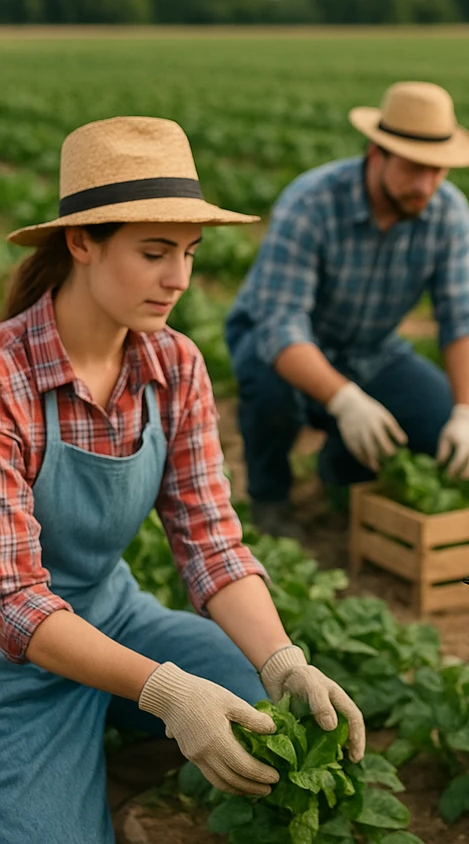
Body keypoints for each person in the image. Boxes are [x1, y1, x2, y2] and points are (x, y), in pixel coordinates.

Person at [0, 116, 366, 844]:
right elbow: (14, 602)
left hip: (114, 614)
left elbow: (211, 544)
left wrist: (281, 657)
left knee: (263, 706)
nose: (180, 279)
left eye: (191, 253)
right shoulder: (9, 378)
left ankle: (117, 772)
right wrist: (165, 691)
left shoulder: (175, 366)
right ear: (81, 242)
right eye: (155, 252)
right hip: (16, 663)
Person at [225, 81, 469, 535]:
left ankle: (341, 467)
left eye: (438, 170)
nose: (426, 185)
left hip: (372, 349)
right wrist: (345, 400)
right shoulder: (312, 202)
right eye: (413, 168)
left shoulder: (448, 212)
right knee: (270, 390)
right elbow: (280, 326)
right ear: (376, 153)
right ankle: (270, 496)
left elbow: (463, 316)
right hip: (284, 347)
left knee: (438, 421)